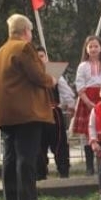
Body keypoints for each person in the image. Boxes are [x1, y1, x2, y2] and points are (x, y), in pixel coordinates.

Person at [0, 14, 55, 200]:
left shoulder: (1, 51)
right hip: (27, 112)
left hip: (7, 113)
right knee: (26, 159)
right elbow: (37, 75)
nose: (31, 34)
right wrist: (51, 79)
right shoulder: (24, 47)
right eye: (30, 31)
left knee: (9, 159)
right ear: (25, 31)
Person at [72, 35, 101, 176]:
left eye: (96, 46)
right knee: (88, 133)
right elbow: (80, 86)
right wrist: (88, 103)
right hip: (87, 100)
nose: (93, 49)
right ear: (86, 49)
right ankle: (90, 166)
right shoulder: (83, 66)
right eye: (90, 46)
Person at [35, 46, 73, 179]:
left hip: (53, 113)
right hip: (36, 114)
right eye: (37, 57)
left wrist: (69, 104)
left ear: (46, 57)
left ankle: (63, 171)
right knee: (38, 145)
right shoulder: (30, 74)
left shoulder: (54, 73)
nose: (40, 59)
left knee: (59, 143)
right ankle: (40, 174)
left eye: (42, 56)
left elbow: (66, 91)